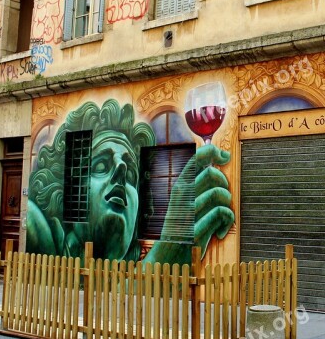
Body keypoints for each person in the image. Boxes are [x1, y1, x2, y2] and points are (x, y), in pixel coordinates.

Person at [26, 99, 234, 266]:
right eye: (100, 166)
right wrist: (158, 264)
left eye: (132, 175)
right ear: (67, 193)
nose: (121, 170)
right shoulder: (42, 232)